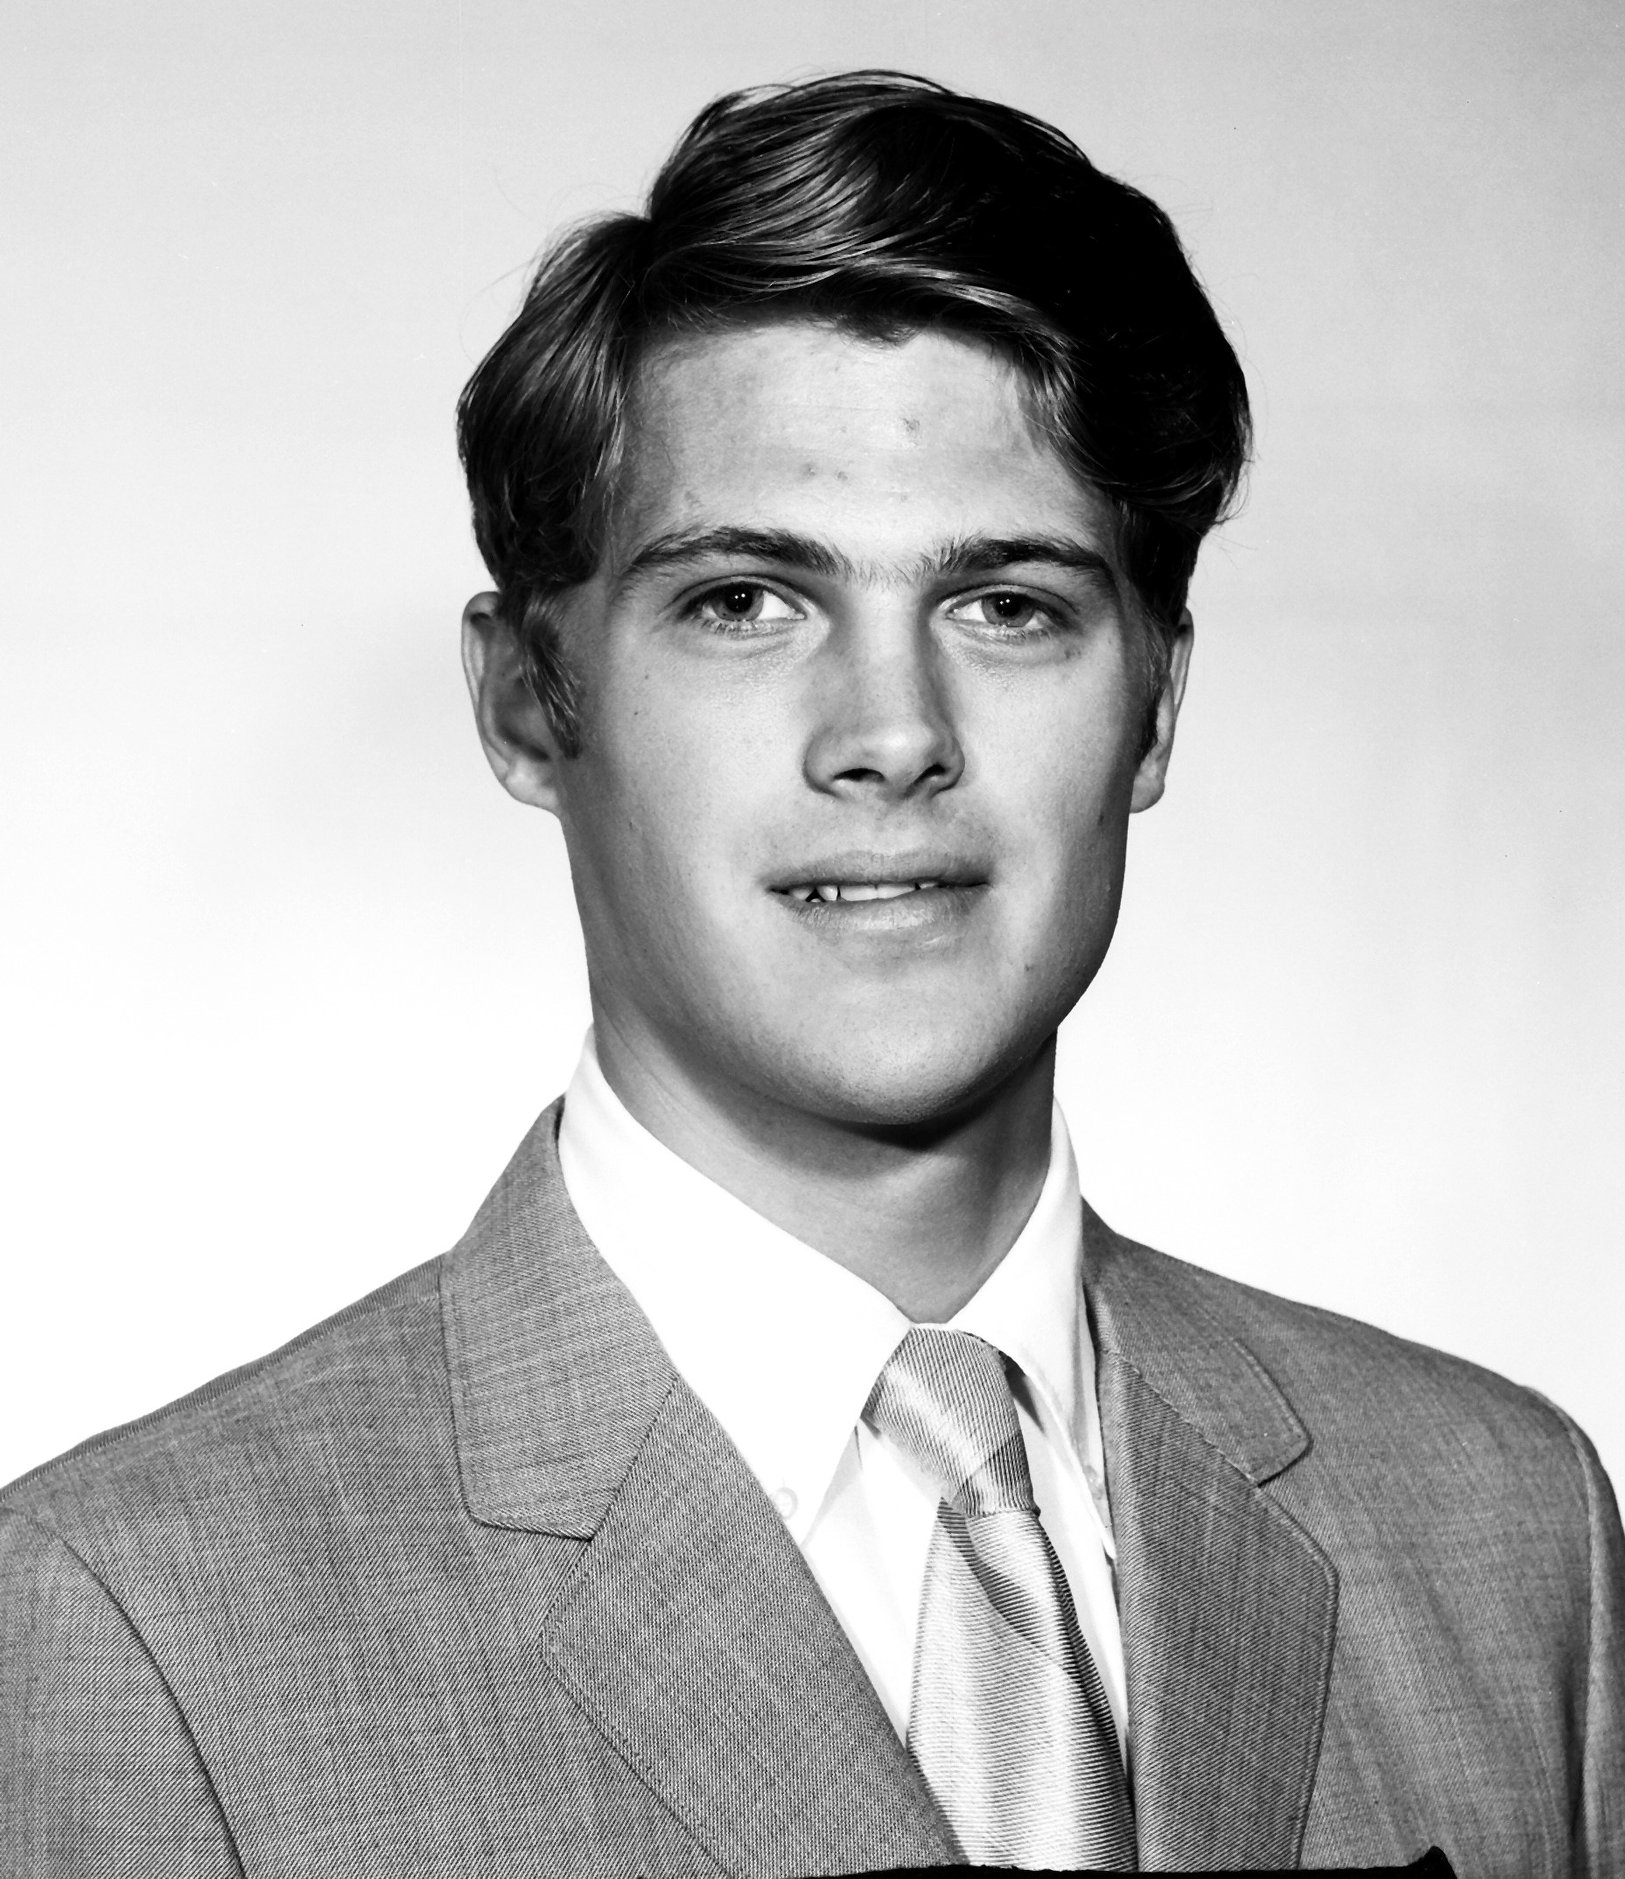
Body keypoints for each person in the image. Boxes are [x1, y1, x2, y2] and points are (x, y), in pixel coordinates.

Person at [1, 70, 1619, 1879]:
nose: (891, 734)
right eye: (742, 602)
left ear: (1155, 704)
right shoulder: (125, 1627)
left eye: (1007, 606)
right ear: (529, 701)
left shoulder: (1506, 1530)